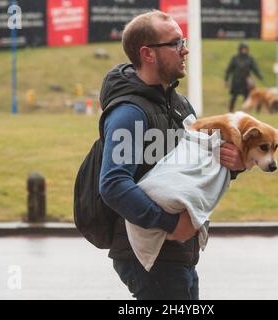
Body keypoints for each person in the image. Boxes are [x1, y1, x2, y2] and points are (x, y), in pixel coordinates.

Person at [98, 10, 244, 300]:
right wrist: (171, 224)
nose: (185, 49)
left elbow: (201, 165)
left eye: (184, 40)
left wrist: (235, 165)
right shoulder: (129, 112)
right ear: (147, 54)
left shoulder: (181, 105)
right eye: (176, 43)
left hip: (179, 252)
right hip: (150, 255)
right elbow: (113, 183)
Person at [225, 42, 263, 113]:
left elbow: (255, 68)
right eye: (243, 49)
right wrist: (226, 79)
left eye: (245, 49)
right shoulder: (235, 58)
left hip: (245, 82)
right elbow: (229, 69)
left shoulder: (250, 59)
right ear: (240, 49)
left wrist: (259, 76)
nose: (244, 50)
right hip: (236, 81)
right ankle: (231, 110)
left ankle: (245, 112)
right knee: (234, 97)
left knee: (246, 97)